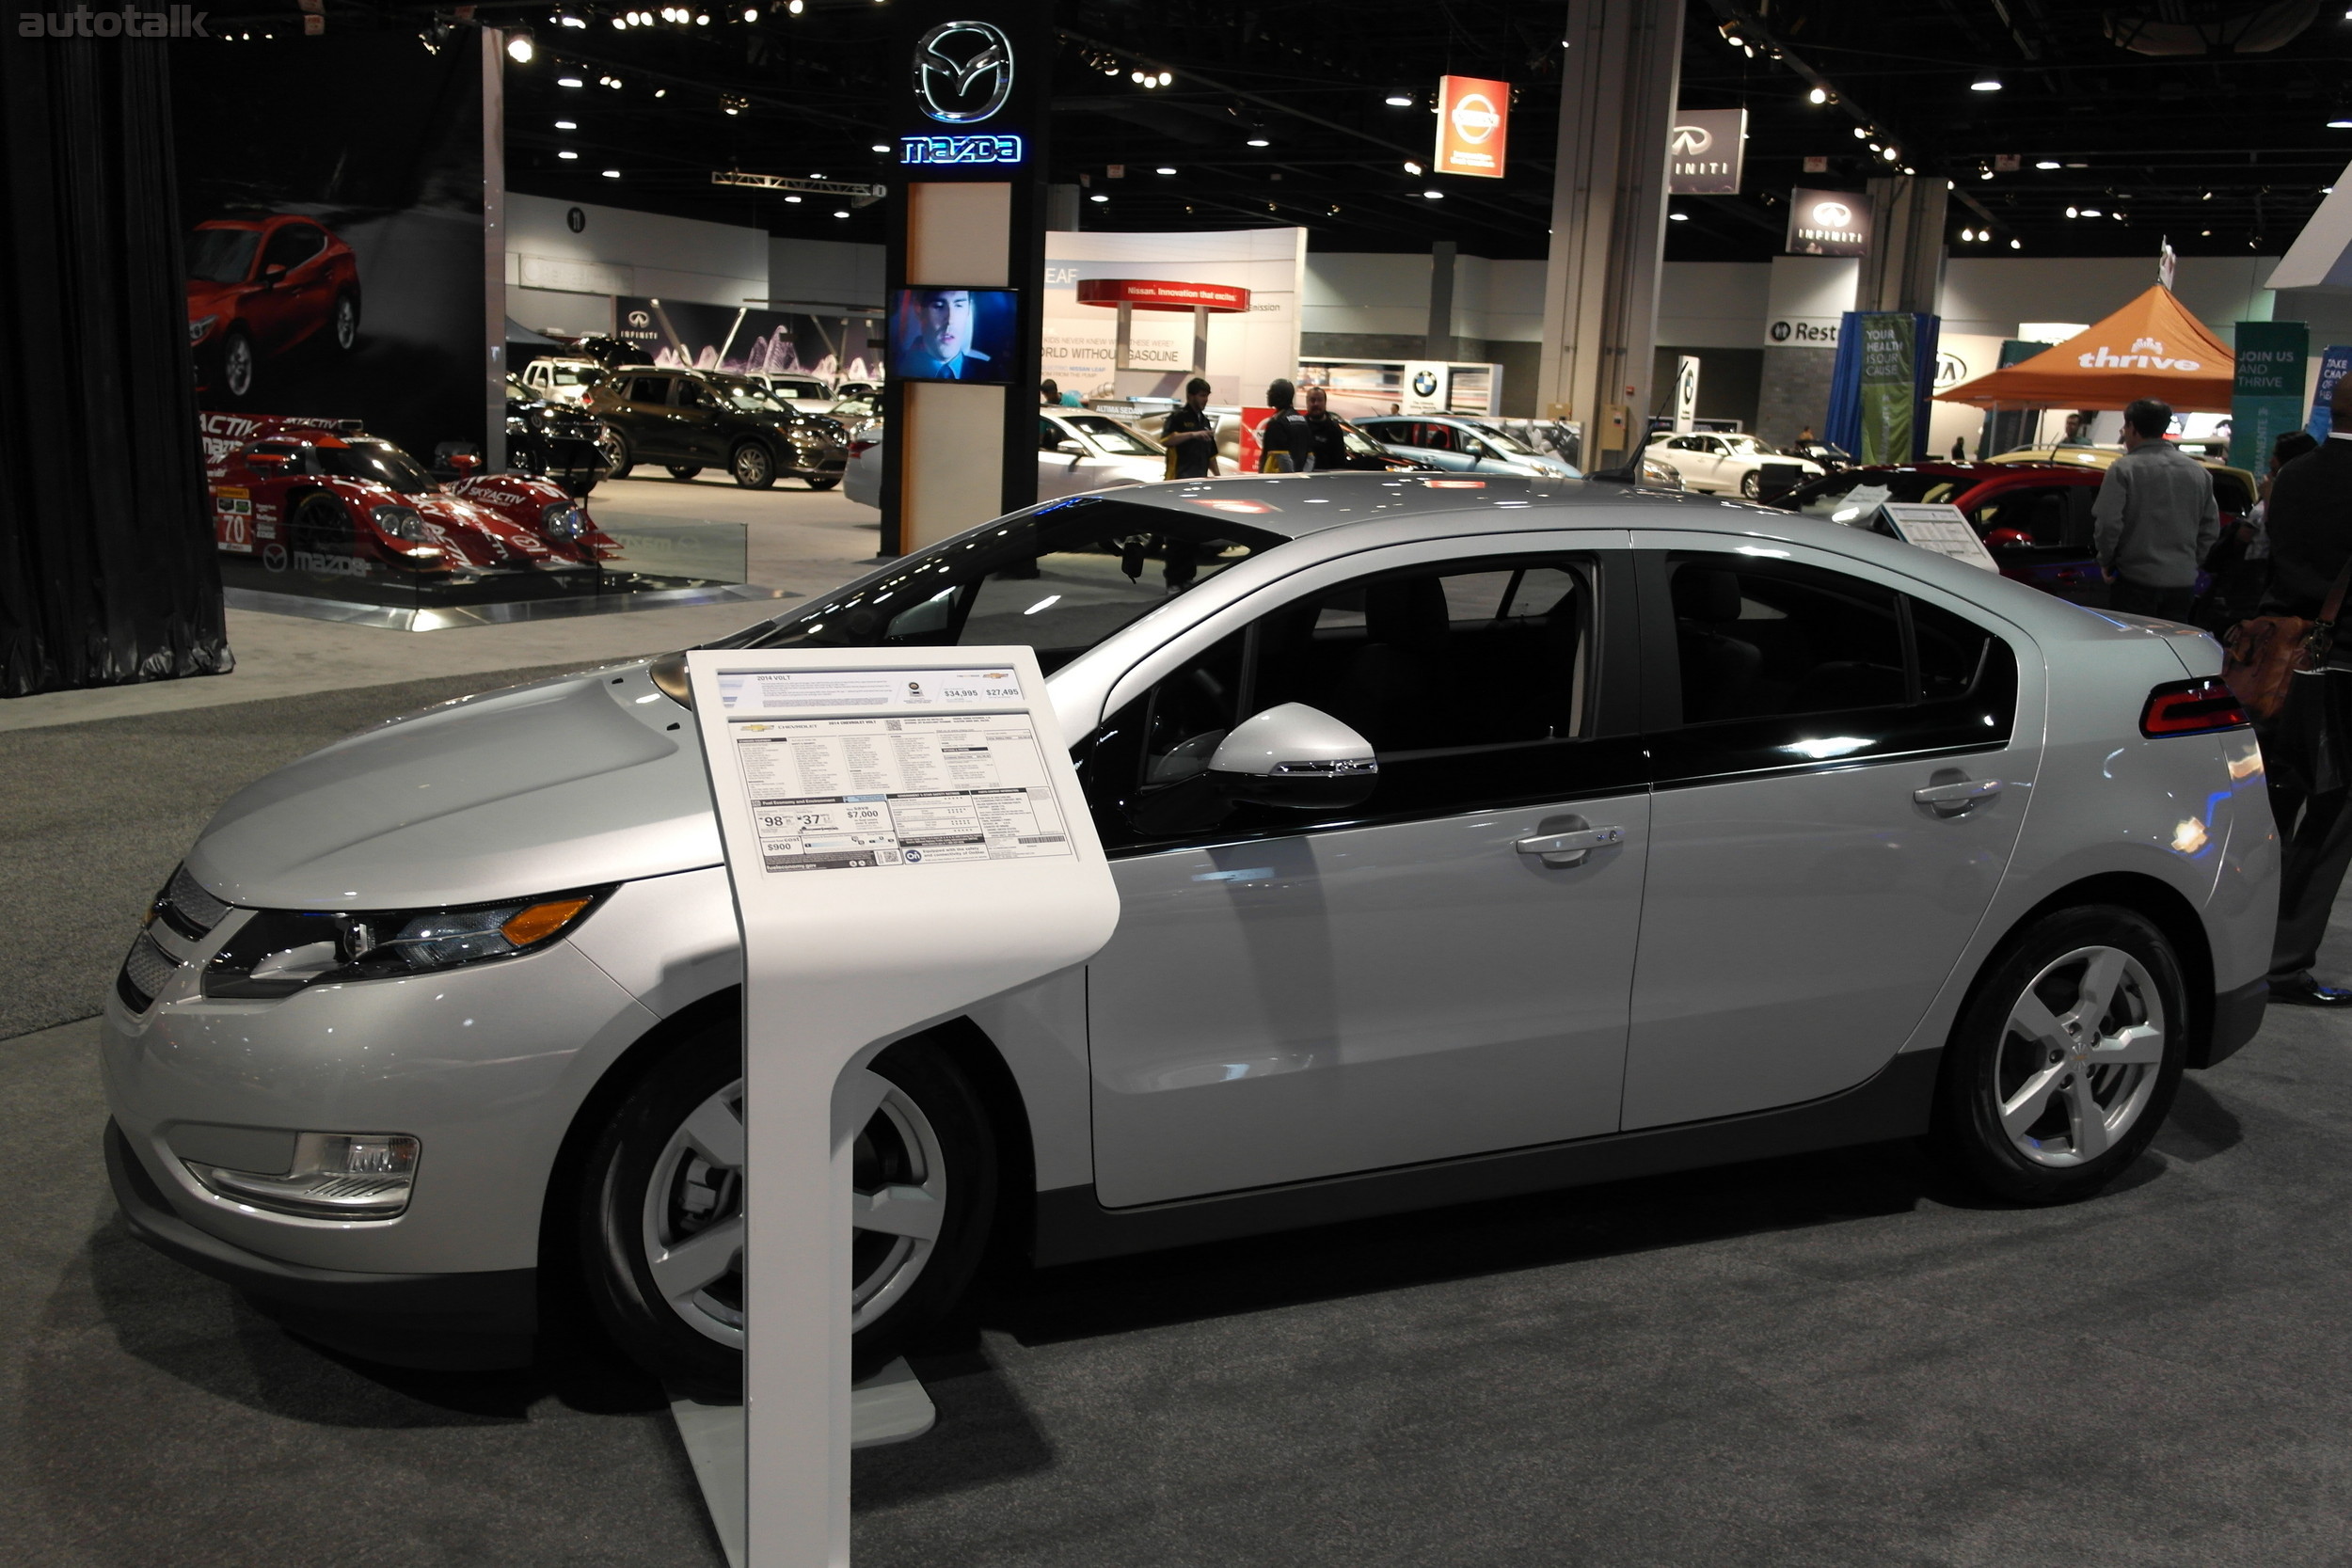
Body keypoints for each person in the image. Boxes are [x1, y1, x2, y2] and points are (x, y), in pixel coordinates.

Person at [2252, 377, 2352, 1005]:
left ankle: (2243, 941)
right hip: (2344, 662)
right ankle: (2285, 959)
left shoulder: (2293, 474)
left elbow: (2279, 559)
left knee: (2270, 802)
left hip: (2281, 660)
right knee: (2336, 812)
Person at [2090, 397, 2217, 622]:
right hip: (2183, 584)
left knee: (2134, 650)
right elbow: (2210, 529)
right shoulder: (2198, 472)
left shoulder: (2123, 469)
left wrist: (2106, 561)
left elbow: (2109, 522)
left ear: (2132, 428)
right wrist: (2188, 562)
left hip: (2135, 582)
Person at [898, 289, 989, 379]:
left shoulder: (992, 372)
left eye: (959, 305)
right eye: (939, 306)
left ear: (969, 309)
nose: (950, 321)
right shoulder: (898, 367)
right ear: (918, 309)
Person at [1159, 377, 1219, 480]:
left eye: (1207, 396)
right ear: (1190, 396)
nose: (1205, 400)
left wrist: (1218, 477)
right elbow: (1166, 440)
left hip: (1200, 480)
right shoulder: (1177, 417)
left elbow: (1211, 456)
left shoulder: (1205, 421)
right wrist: (1192, 434)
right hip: (1177, 479)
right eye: (1202, 396)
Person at [1258, 378, 1315, 472]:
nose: (1267, 393)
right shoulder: (1303, 420)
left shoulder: (1277, 423)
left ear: (1280, 396)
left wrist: (1290, 478)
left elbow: (1282, 457)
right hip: (1300, 480)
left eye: (1271, 391)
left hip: (1280, 482)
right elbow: (1310, 457)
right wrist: (1303, 477)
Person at [1303, 385, 1350, 472]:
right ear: (1307, 402)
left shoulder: (1334, 429)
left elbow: (1339, 462)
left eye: (1320, 400)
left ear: (1325, 402)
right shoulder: (1300, 426)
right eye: (1312, 400)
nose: (1316, 404)